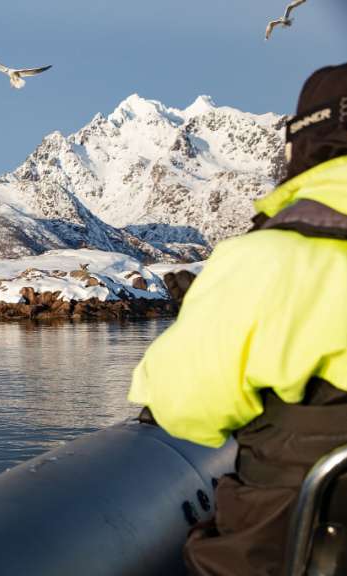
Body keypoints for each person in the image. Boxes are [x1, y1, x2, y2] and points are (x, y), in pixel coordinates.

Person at [128, 62, 347, 576]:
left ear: (302, 145)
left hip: (298, 540)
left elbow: (184, 406)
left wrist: (206, 317)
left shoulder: (266, 259)